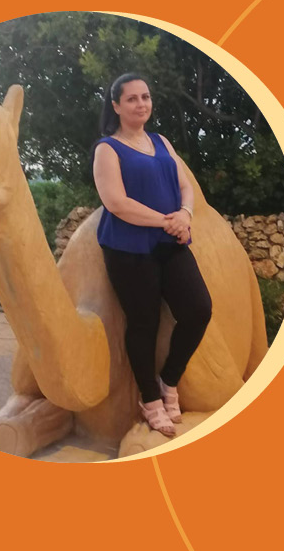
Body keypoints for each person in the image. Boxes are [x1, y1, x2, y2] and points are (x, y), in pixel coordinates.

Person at [92, 72, 212, 438]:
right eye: (132, 99)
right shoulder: (107, 149)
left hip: (170, 242)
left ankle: (168, 381)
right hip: (128, 249)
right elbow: (116, 202)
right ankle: (150, 400)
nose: (141, 104)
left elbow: (185, 186)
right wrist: (167, 221)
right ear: (116, 106)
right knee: (143, 324)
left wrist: (185, 214)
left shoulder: (161, 142)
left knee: (198, 309)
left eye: (145, 97)